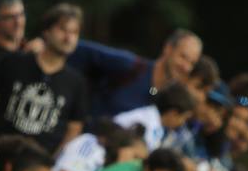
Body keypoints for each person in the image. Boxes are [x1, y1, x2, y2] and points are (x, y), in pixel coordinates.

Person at [0, 3, 87, 154]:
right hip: (0, 155)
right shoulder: (12, 62)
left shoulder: (76, 81)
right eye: (63, 30)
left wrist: (52, 163)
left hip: (40, 168)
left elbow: (74, 128)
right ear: (46, 31)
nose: (68, 37)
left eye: (74, 32)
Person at [69, 28, 203, 117]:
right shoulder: (131, 66)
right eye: (183, 57)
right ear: (168, 49)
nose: (186, 67)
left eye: (192, 63)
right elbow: (76, 49)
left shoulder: (161, 95)